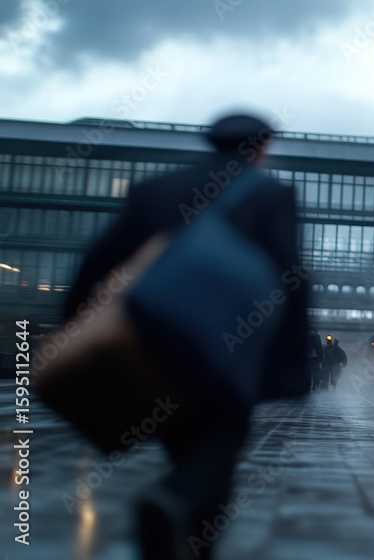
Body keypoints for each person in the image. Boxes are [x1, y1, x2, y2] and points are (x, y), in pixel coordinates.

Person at [60, 113, 309, 560]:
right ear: (261, 149)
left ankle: (181, 529)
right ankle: (175, 504)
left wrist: (73, 327)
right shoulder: (271, 195)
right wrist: (290, 364)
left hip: (149, 342)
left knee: (181, 438)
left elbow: (95, 260)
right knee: (219, 440)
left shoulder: (153, 190)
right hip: (227, 349)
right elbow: (292, 279)